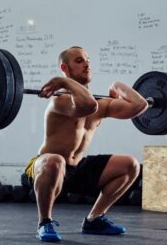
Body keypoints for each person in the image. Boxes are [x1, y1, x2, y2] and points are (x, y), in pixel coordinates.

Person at [25, 46, 148, 242]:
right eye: (79, 60)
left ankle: (94, 219)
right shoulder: (61, 100)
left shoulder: (102, 104)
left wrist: (117, 85)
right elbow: (87, 105)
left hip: (76, 168)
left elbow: (140, 106)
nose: (86, 63)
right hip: (46, 166)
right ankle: (44, 222)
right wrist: (64, 82)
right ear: (65, 68)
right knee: (55, 161)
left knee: (130, 165)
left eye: (87, 60)